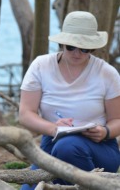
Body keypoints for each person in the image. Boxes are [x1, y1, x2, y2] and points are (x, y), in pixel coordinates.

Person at [19, 11, 120, 189]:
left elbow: (117, 120)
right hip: (51, 145)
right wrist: (55, 128)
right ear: (62, 43)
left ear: (93, 48)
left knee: (68, 146)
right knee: (31, 187)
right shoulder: (41, 65)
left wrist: (104, 131)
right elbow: (26, 114)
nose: (77, 53)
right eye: (71, 47)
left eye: (84, 49)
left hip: (100, 148)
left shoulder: (107, 73)